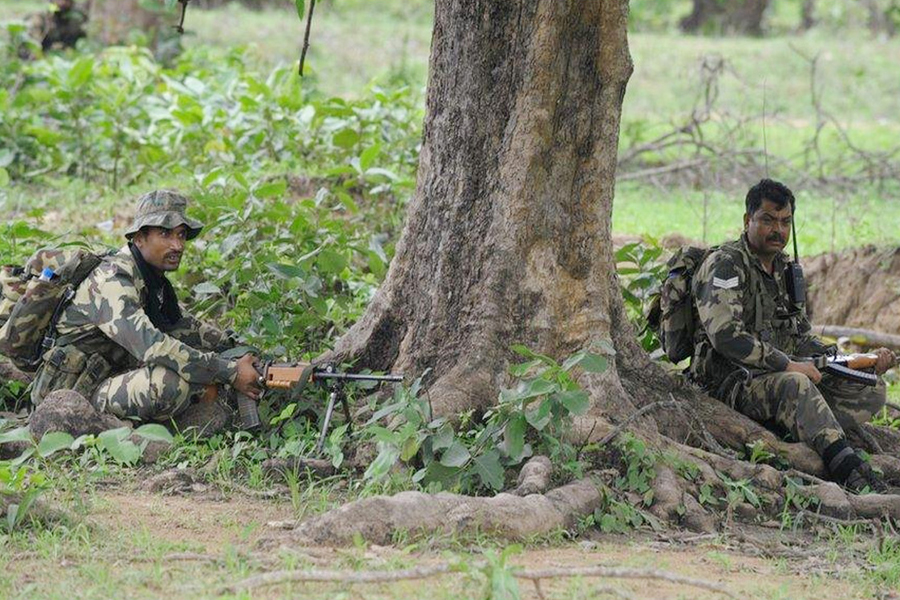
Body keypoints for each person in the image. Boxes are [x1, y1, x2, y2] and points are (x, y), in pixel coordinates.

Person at [690, 179, 894, 492]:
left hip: (780, 379)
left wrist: (854, 361)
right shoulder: (725, 265)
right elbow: (726, 336)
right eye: (768, 220)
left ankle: (805, 423)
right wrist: (787, 365)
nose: (778, 231)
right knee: (796, 385)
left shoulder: (785, 270)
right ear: (748, 221)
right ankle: (850, 472)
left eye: (786, 222)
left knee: (871, 389)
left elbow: (801, 336)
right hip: (732, 383)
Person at [29, 190, 262, 428]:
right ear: (139, 238)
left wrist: (237, 350)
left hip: (112, 371)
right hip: (73, 390)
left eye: (181, 235)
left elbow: (182, 326)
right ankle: (111, 428)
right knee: (171, 385)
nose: (177, 245)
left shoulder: (148, 277)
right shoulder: (111, 279)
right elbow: (151, 345)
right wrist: (229, 371)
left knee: (190, 360)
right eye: (165, 234)